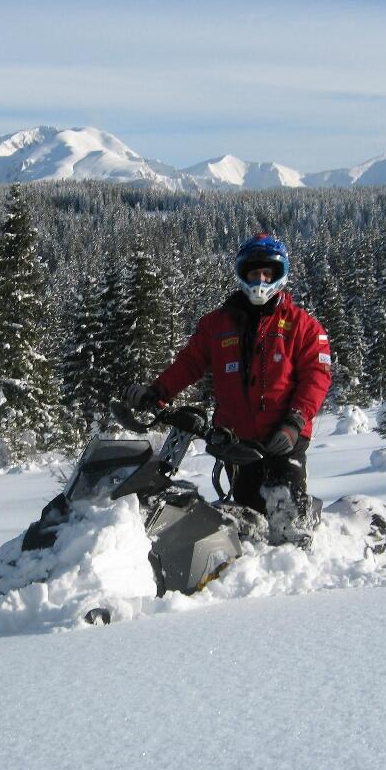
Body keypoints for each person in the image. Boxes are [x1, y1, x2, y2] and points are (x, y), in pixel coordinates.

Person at [125, 233, 332, 547]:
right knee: (248, 525)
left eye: (267, 273)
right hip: (239, 441)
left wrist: (295, 422)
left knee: (286, 522)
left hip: (283, 439)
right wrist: (158, 391)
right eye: (253, 272)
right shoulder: (217, 324)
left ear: (279, 274)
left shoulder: (303, 326)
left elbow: (317, 377)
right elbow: (190, 362)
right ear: (242, 274)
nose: (260, 279)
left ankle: (298, 576)